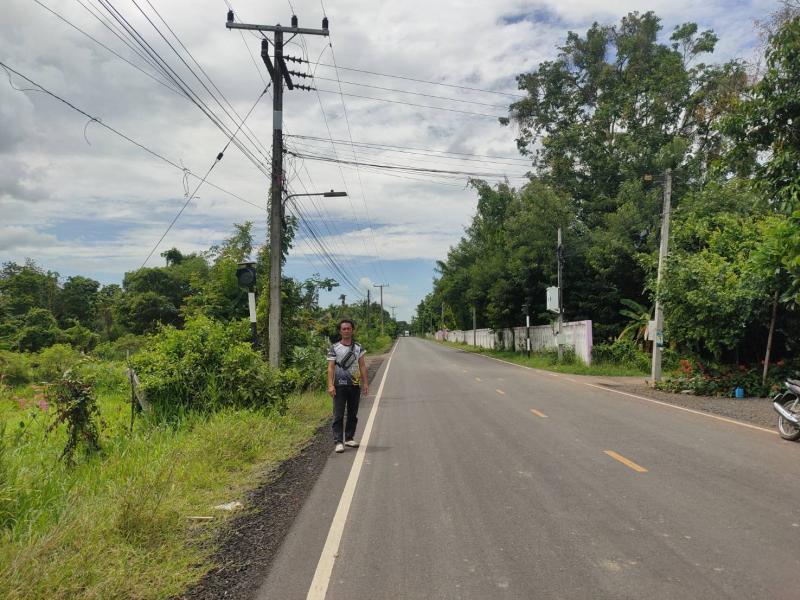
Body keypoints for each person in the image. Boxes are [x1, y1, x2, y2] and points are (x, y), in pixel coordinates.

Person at [327, 319, 369, 453]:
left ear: (352, 330)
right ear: (340, 331)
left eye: (348, 328)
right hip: (339, 385)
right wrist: (330, 385)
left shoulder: (358, 347)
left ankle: (349, 438)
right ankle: (338, 441)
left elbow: (362, 365)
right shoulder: (334, 348)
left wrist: (365, 383)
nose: (346, 331)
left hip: (355, 384)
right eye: (344, 329)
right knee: (338, 414)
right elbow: (330, 368)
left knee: (353, 413)